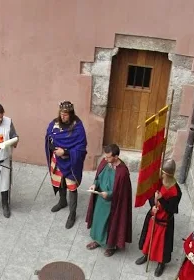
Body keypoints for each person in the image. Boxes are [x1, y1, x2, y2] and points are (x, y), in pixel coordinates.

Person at [136, 158, 183, 277]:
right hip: (154, 216)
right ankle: (146, 254)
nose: (162, 175)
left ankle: (161, 263)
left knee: (161, 244)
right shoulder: (158, 182)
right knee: (148, 238)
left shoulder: (176, 191)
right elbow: (151, 195)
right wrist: (153, 205)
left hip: (164, 221)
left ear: (168, 174)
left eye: (164, 173)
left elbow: (171, 209)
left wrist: (161, 198)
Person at [84, 144, 133, 256]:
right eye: (105, 157)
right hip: (100, 199)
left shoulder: (122, 172)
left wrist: (109, 194)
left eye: (108, 157)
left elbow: (122, 193)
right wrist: (94, 185)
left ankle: (111, 246)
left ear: (116, 157)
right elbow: (98, 177)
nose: (105, 159)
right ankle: (98, 240)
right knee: (98, 221)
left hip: (113, 204)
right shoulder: (105, 162)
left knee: (111, 224)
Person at [45, 101, 87, 229]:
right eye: (61, 114)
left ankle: (72, 214)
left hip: (70, 162)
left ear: (71, 114)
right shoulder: (54, 124)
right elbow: (49, 138)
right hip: (57, 159)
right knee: (60, 182)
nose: (63, 116)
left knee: (72, 187)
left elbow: (81, 148)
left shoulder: (78, 127)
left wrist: (66, 152)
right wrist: (55, 150)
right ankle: (62, 201)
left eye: (66, 114)